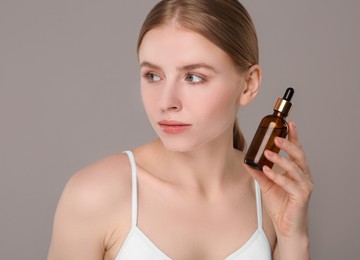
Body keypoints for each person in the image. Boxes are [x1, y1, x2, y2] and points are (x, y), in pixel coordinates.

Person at [48, 0, 313, 259]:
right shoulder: (95, 194)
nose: (166, 102)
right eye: (153, 76)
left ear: (248, 85)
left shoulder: (272, 191)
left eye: (193, 77)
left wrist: (293, 238)